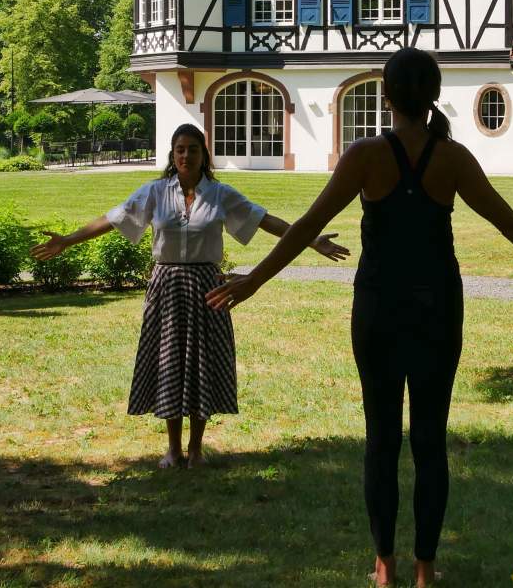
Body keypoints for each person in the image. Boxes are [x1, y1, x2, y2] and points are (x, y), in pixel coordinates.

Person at [207, 48, 513, 587]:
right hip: (437, 311)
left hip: (378, 310)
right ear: (434, 95)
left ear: (385, 95)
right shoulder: (452, 157)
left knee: (381, 437)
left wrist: (255, 279)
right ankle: (424, 568)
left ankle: (385, 566)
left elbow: (307, 224)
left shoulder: (365, 155)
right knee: (429, 438)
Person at [31, 122, 348, 469]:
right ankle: (172, 449)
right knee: (168, 362)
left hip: (208, 287)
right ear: (172, 154)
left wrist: (311, 240)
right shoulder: (154, 192)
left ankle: (196, 448)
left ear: (203, 155)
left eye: (192, 149)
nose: (185, 155)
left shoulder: (220, 194)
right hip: (167, 286)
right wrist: (67, 240)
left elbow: (263, 220)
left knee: (202, 364)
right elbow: (113, 219)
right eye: (180, 149)